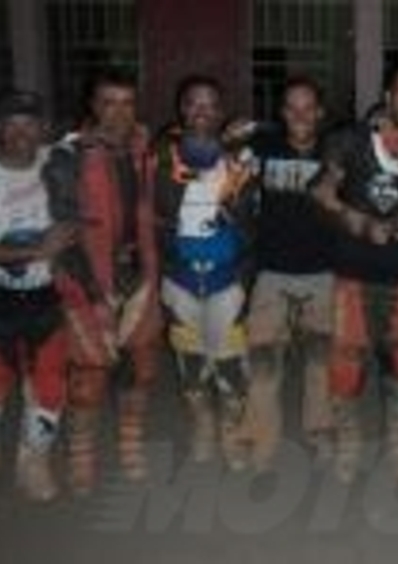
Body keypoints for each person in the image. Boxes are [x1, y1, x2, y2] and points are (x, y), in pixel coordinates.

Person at [312, 65, 398, 483]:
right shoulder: (350, 140)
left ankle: (397, 442)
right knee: (347, 359)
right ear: (388, 95)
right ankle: (349, 443)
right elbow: (321, 192)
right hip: (352, 271)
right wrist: (361, 223)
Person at [45, 70, 161, 495]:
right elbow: (63, 234)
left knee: (140, 369)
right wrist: (94, 296)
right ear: (93, 106)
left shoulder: (143, 149)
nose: (118, 113)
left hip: (139, 273)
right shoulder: (67, 157)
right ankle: (81, 456)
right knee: (88, 375)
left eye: (127, 103)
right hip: (86, 277)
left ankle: (130, 444)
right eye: (108, 103)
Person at [0, 90, 73, 501]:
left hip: (46, 293)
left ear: (43, 129)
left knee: (49, 381)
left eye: (30, 123)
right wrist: (40, 249)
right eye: (12, 124)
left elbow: (98, 146)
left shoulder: (57, 164)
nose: (22, 132)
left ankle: (34, 461)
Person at [153, 76, 256, 469]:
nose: (202, 111)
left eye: (210, 105)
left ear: (221, 111)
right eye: (194, 103)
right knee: (191, 362)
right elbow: (164, 200)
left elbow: (247, 214)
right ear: (182, 109)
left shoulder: (241, 157)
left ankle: (231, 431)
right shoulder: (163, 154)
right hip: (179, 277)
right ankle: (203, 427)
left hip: (226, 277)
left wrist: (232, 163)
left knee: (230, 362)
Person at [245, 77, 334, 472]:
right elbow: (211, 152)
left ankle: (319, 432)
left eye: (308, 107)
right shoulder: (263, 147)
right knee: (264, 363)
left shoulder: (337, 151)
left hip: (323, 273)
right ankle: (263, 438)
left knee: (320, 363)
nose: (300, 116)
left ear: (320, 112)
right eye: (292, 108)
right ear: (282, 113)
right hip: (272, 274)